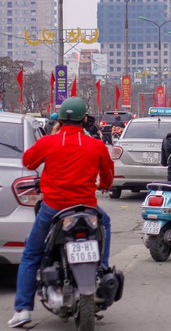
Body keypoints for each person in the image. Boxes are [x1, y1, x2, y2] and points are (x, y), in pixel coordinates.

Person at [9, 97, 114, 328]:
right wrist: (103, 186)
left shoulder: (49, 142)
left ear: (60, 119)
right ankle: (103, 266)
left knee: (31, 254)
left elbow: (28, 162)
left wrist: (51, 137)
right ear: (85, 119)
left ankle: (23, 310)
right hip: (87, 208)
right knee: (105, 223)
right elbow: (107, 178)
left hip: (53, 209)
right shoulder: (96, 146)